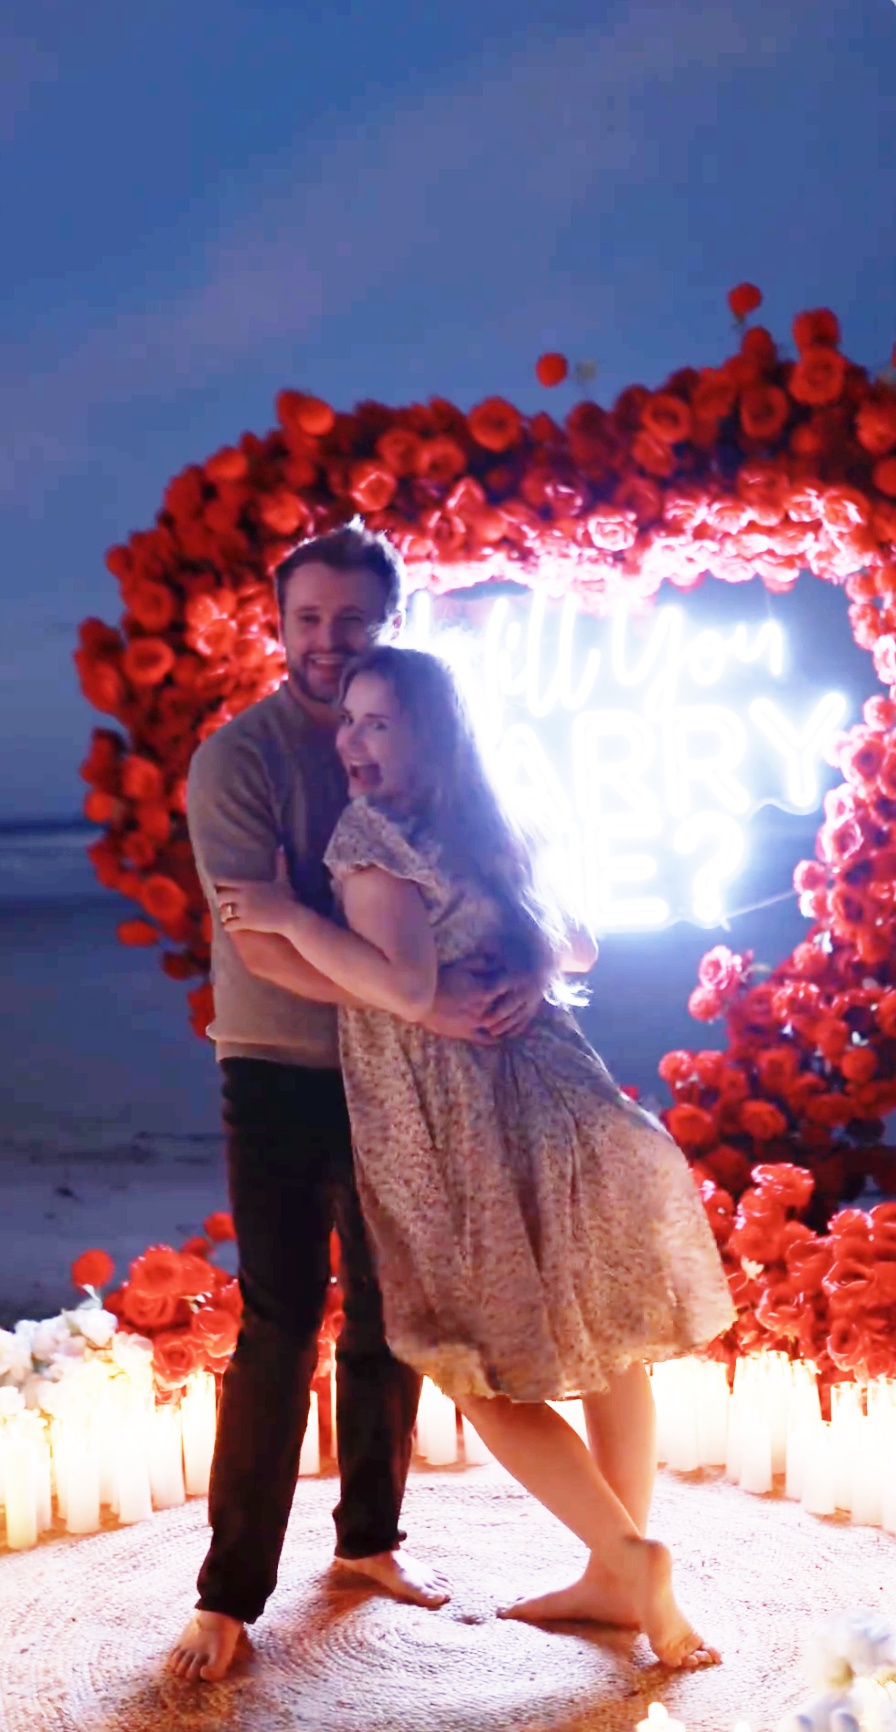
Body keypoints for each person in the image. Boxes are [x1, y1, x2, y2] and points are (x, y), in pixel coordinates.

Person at [216, 645, 738, 1672]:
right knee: (606, 1335)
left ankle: (628, 1560)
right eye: (349, 720)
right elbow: (578, 944)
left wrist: (287, 917)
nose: (353, 741)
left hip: (454, 1121)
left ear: (428, 734)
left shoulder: (370, 839)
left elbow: (406, 990)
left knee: (471, 1364)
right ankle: (609, 1569)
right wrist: (528, 961)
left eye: (378, 722)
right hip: (560, 1097)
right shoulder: (493, 820)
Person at [168, 525, 549, 1684]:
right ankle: (229, 1596)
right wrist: (427, 1006)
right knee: (280, 1325)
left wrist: (526, 962)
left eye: (353, 619)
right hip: (280, 1069)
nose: (329, 640)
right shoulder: (239, 758)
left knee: (392, 1315)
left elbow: (493, 875)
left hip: (413, 1083)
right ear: (277, 624)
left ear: (389, 619)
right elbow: (265, 943)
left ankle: (371, 1544)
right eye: (308, 618)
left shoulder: (417, 747)